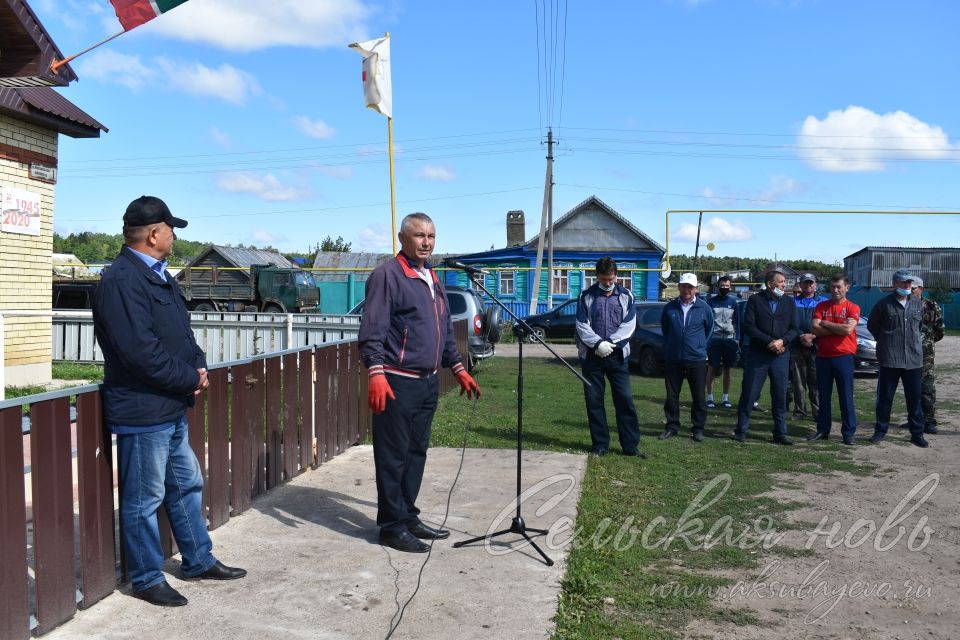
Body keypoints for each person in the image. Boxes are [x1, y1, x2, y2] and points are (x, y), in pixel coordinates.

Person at [92, 196, 246, 608]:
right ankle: (144, 577)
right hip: (142, 411)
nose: (175, 236)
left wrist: (197, 365)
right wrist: (187, 378)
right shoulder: (121, 280)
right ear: (154, 234)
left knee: (185, 484)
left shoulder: (160, 276)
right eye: (171, 229)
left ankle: (198, 559)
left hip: (169, 406)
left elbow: (181, 334)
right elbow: (139, 352)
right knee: (142, 501)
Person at [359, 212, 481, 553]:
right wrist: (376, 373)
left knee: (416, 453)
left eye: (431, 236)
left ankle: (407, 514)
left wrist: (457, 368)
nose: (426, 242)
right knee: (393, 456)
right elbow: (373, 330)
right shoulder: (388, 276)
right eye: (419, 236)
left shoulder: (431, 277)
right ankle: (391, 526)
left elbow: (441, 328)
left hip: (427, 383)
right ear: (402, 238)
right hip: (397, 382)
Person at [575, 257, 644, 458]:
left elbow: (629, 324)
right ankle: (600, 444)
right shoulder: (586, 296)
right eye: (604, 279)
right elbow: (581, 324)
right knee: (594, 401)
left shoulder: (626, 296)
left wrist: (611, 344)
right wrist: (597, 344)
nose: (608, 283)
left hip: (617, 356)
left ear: (616, 276)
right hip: (592, 357)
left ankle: (630, 445)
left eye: (611, 279)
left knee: (624, 400)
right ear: (597, 276)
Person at [734, 270, 798, 445]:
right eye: (781, 282)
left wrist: (782, 342)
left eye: (785, 282)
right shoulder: (755, 300)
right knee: (749, 393)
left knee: (780, 394)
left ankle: (780, 433)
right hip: (758, 354)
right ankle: (741, 430)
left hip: (781, 356)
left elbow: (794, 329)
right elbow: (749, 326)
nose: (784, 285)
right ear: (770, 284)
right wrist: (770, 342)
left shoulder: (789, 302)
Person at [867, 270, 928, 447]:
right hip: (890, 359)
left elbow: (920, 326)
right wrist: (886, 341)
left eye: (909, 283)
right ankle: (880, 431)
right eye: (903, 283)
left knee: (914, 398)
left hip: (913, 360)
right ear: (895, 284)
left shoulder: (917, 303)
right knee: (885, 398)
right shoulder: (883, 304)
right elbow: (872, 326)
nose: (907, 286)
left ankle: (917, 433)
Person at [660, 273, 714, 442]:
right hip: (673, 358)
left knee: (698, 396)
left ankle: (698, 428)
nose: (686, 290)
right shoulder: (669, 308)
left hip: (696, 359)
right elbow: (665, 329)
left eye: (690, 287)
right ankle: (672, 426)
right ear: (679, 287)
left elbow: (709, 330)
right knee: (672, 395)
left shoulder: (704, 308)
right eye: (683, 286)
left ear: (696, 289)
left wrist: (698, 347)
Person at [806, 275, 860, 445]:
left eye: (839, 287)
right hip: (823, 357)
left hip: (844, 357)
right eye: (833, 287)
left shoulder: (852, 307)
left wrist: (826, 324)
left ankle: (848, 432)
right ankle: (823, 429)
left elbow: (847, 330)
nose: (835, 290)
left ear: (847, 287)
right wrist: (839, 327)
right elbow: (814, 327)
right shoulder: (822, 306)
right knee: (823, 395)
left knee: (846, 396)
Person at [787, 273, 827, 420]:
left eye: (811, 283)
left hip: (817, 346)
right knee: (798, 381)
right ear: (800, 285)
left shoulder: (823, 302)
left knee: (816, 381)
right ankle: (800, 411)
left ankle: (818, 412)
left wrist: (813, 336)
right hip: (797, 346)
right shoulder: (791, 302)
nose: (808, 286)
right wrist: (801, 336)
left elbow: (825, 323)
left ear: (816, 285)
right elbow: (789, 323)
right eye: (805, 283)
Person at [911, 277, 945, 434]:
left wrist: (927, 341)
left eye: (913, 288)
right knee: (912, 387)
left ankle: (929, 420)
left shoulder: (931, 305)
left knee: (927, 387)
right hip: (908, 353)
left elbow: (940, 330)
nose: (910, 291)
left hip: (926, 354)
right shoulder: (905, 304)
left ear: (921, 288)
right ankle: (914, 419)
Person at [706, 275, 740, 409]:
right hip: (714, 339)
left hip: (729, 340)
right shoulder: (711, 302)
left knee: (728, 369)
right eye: (722, 286)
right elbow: (707, 322)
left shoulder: (733, 302)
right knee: (712, 368)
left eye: (727, 286)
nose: (725, 288)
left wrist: (737, 339)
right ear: (718, 286)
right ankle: (709, 397)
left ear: (730, 287)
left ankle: (725, 398)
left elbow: (737, 322)